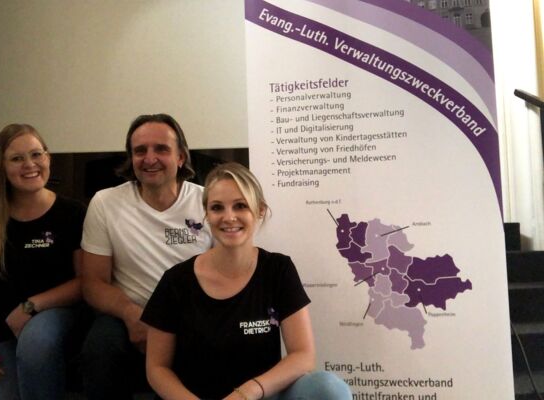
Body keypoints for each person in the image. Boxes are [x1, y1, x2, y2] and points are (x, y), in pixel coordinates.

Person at [142, 162, 353, 400]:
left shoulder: (278, 270)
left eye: (240, 205)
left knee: (328, 388)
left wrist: (247, 392)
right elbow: (157, 368)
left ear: (259, 210)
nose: (229, 217)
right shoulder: (176, 281)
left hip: (259, 396)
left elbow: (303, 356)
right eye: (217, 207)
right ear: (207, 214)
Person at [0, 123, 87, 400]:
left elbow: (86, 281)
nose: (29, 165)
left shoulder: (73, 214)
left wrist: (31, 306)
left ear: (48, 157)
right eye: (17, 158)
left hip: (53, 319)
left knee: (36, 341)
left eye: (36, 154)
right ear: (1, 166)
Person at [80, 114, 213, 399]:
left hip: (191, 316)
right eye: (140, 151)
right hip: (129, 313)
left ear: (181, 157)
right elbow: (93, 284)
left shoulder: (208, 202)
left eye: (161, 149)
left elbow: (227, 274)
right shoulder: (105, 203)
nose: (149, 158)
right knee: (99, 347)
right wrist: (132, 315)